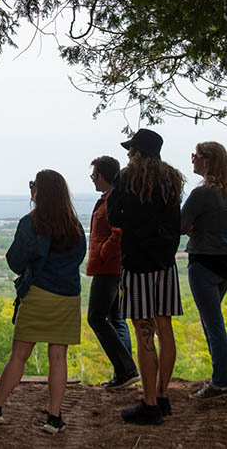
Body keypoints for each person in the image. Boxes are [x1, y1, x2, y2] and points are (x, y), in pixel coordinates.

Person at [0, 169, 86, 435]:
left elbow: (15, 260)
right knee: (58, 357)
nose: (30, 189)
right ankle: (54, 417)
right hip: (68, 296)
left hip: (38, 294)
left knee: (19, 355)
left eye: (32, 185)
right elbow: (79, 257)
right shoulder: (75, 224)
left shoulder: (32, 222)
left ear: (40, 191)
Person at [107, 129, 184, 425]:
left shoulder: (127, 178)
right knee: (165, 328)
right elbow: (175, 222)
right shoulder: (172, 179)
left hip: (138, 262)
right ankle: (162, 396)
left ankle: (149, 404)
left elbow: (114, 217)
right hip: (165, 263)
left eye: (130, 150)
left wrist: (133, 221)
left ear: (138, 152)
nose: (127, 154)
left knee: (144, 333)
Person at [181, 141, 227, 399]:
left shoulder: (202, 193)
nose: (192, 159)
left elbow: (181, 225)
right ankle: (221, 376)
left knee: (213, 324)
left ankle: (221, 382)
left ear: (207, 160)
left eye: (196, 155)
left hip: (204, 261)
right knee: (214, 322)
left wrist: (192, 226)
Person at [86, 156, 139, 389]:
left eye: (93, 176)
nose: (92, 180)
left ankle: (127, 370)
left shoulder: (113, 200)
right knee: (116, 318)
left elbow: (118, 232)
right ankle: (126, 374)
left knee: (96, 318)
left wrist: (104, 255)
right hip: (112, 268)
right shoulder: (109, 198)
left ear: (101, 176)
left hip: (108, 268)